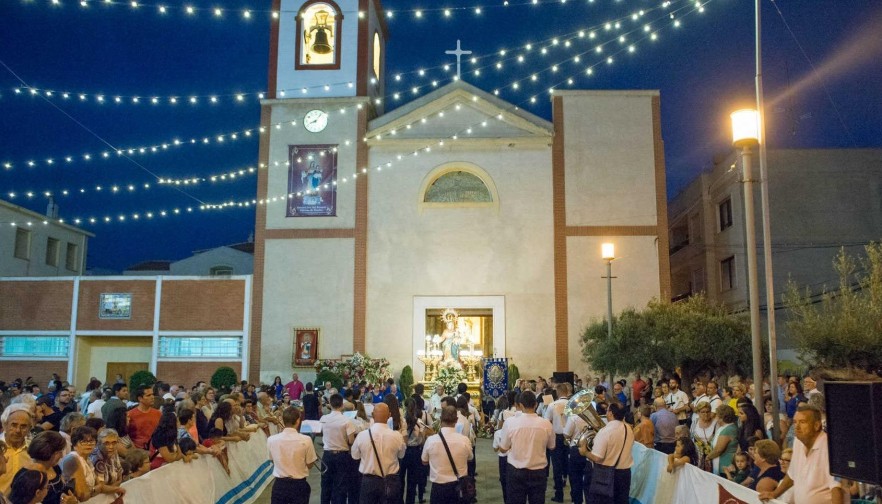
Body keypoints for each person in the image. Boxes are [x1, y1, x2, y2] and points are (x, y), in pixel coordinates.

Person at [759, 404, 846, 504]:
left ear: (817, 425)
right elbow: (792, 475)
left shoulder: (829, 447)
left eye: (803, 422)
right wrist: (775, 494)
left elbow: (837, 488)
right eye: (795, 422)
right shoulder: (798, 442)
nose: (797, 427)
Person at [498, 391, 555, 504]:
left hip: (516, 471)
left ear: (521, 405)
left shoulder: (510, 422)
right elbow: (552, 446)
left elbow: (503, 448)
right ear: (535, 405)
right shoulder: (546, 424)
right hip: (538, 471)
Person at [350, 402, 407, 504]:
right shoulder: (397, 436)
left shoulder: (362, 436)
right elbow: (401, 455)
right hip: (391, 481)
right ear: (389, 415)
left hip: (369, 482)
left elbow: (355, 456)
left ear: (372, 415)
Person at [420, 405, 472, 504]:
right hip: (459, 486)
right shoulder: (464, 440)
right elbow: (470, 458)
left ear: (440, 419)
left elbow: (424, 461)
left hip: (439, 488)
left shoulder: (431, 440)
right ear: (456, 420)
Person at [584, 403, 634, 504]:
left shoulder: (605, 431)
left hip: (606, 474)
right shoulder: (628, 429)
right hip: (625, 474)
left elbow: (597, 458)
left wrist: (584, 452)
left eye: (607, 411)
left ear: (611, 413)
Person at [266, 407, 317, 504]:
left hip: (280, 485)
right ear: (298, 421)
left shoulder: (271, 440)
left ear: (283, 420)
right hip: (299, 485)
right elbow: (310, 465)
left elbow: (273, 460)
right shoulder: (306, 439)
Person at [61, 426, 124, 501]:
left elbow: (101, 486)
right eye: (83, 441)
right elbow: (82, 495)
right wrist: (96, 489)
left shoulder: (87, 460)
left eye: (91, 441)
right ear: (75, 444)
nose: (89, 444)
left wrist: (118, 489)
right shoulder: (72, 459)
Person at [320, 394, 357, 504]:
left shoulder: (323, 418)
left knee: (326, 485)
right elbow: (351, 441)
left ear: (330, 405)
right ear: (342, 406)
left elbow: (321, 432)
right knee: (340, 486)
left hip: (327, 455)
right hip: (342, 456)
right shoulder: (347, 420)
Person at [21, 431, 76, 504]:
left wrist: (70, 500)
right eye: (60, 452)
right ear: (49, 452)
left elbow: (61, 492)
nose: (62, 456)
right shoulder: (28, 476)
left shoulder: (55, 468)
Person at [544, 383, 570, 503]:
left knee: (557, 465)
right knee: (568, 464)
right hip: (570, 437)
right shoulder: (572, 405)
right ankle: (574, 494)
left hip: (557, 437)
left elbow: (547, 422)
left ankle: (559, 494)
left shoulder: (552, 405)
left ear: (558, 392)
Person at [1, 405, 34, 494]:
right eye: (14, 425)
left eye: (23, 426)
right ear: (5, 425)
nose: (18, 430)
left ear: (29, 429)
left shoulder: (34, 450)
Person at [401, 398, 428, 504]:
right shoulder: (419, 422)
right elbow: (422, 441)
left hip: (403, 451)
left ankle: (399, 500)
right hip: (415, 452)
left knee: (401, 478)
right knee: (412, 480)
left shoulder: (401, 421)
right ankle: (410, 501)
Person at [89, 429, 124, 495]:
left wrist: (110, 488)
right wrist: (116, 488)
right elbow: (101, 488)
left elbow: (119, 478)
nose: (111, 447)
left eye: (114, 443)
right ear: (98, 444)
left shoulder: (113, 452)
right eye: (106, 443)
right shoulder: (97, 459)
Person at [706, 405, 738, 477]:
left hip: (726, 466)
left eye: (717, 415)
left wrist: (708, 457)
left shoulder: (728, 429)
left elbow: (718, 450)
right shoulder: (724, 427)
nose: (715, 418)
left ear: (722, 417)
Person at [126, 385, 160, 450]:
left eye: (152, 394)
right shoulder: (129, 415)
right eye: (148, 395)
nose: (152, 397)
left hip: (155, 451)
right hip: (136, 452)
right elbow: (125, 436)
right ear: (140, 398)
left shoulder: (158, 413)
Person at [689, 401, 716, 472]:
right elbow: (691, 438)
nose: (706, 414)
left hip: (712, 458)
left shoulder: (715, 423)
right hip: (698, 458)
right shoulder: (695, 422)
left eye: (708, 412)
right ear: (698, 413)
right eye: (703, 412)